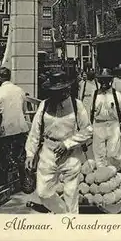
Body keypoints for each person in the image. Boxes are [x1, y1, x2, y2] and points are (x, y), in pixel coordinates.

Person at [25, 71, 92, 214]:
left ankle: (70, 225)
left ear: (66, 89)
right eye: (53, 91)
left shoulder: (77, 105)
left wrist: (68, 143)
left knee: (71, 194)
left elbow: (87, 130)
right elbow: (35, 132)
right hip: (48, 152)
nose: (56, 94)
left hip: (71, 155)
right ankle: (64, 214)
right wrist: (30, 154)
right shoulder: (44, 105)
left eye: (59, 91)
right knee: (43, 192)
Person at [0, 66, 30, 187]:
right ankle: (25, 183)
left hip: (6, 131)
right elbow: (24, 110)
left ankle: (3, 186)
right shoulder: (20, 91)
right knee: (21, 158)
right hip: (21, 129)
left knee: (3, 161)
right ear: (9, 77)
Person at [90, 68, 121, 170]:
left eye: (106, 80)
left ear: (111, 81)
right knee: (99, 154)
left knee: (113, 153)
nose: (104, 83)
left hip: (113, 126)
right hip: (98, 125)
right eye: (102, 81)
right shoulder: (95, 95)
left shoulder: (116, 95)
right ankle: (102, 174)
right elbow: (89, 111)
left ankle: (115, 172)